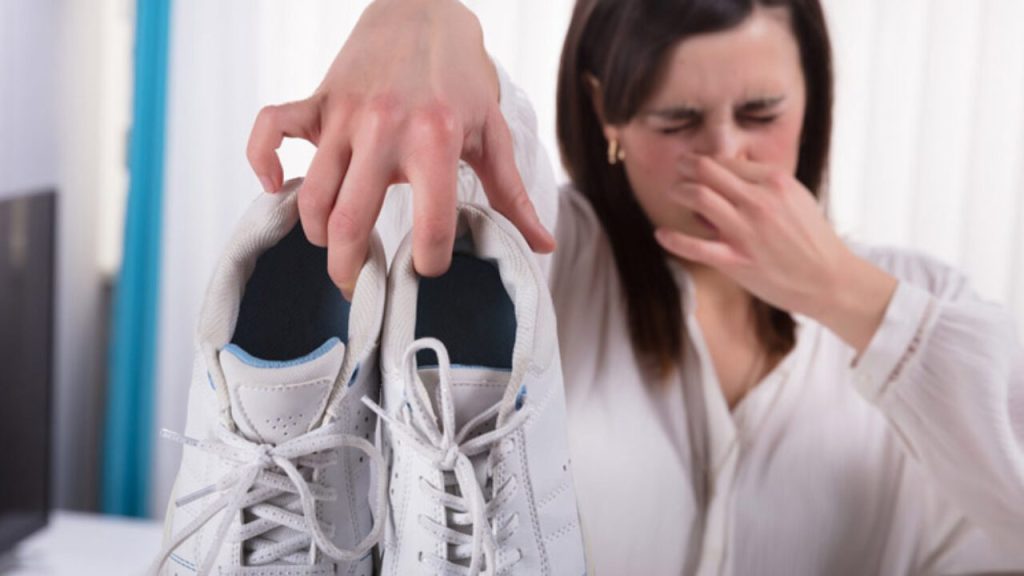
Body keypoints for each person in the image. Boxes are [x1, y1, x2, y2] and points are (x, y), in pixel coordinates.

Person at [246, 0, 1024, 573]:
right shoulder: (554, 257)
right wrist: (422, 19)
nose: (724, 156)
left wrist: (850, 298)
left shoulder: (920, 299)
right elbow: (476, 143)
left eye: (761, 112)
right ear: (605, 114)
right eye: (677, 122)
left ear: (812, 95)